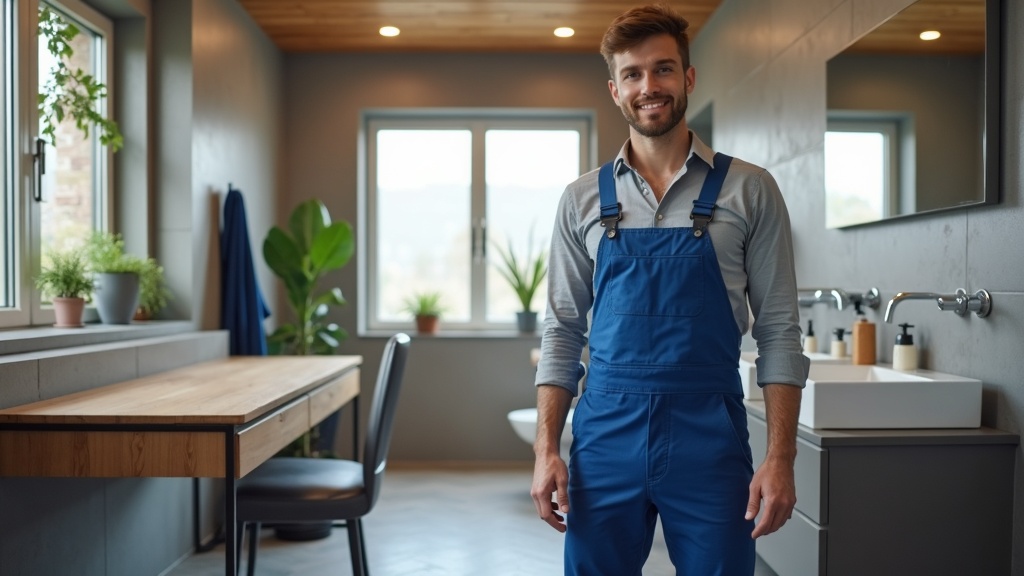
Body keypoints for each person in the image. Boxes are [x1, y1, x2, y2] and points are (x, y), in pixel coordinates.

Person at [530, 4, 809, 575]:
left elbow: (780, 330)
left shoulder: (750, 190)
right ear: (615, 89)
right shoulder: (582, 199)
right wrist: (546, 450)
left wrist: (782, 457)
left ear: (688, 78)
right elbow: (562, 329)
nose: (648, 86)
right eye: (632, 74)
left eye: (662, 69)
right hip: (606, 431)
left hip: (709, 432)